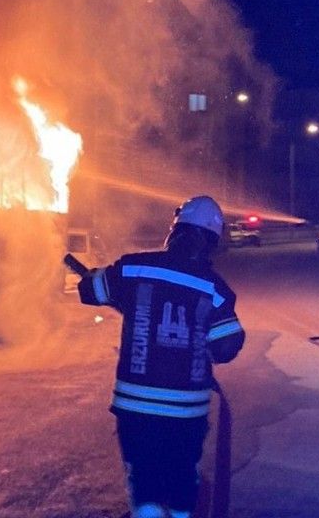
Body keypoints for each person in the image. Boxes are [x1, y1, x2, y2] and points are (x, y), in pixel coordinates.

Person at [79, 195, 246, 518]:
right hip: (187, 411)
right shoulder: (215, 289)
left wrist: (107, 285)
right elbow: (227, 346)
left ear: (175, 230)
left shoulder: (133, 268)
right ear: (212, 241)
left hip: (136, 407)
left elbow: (90, 290)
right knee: (182, 479)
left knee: (144, 481)